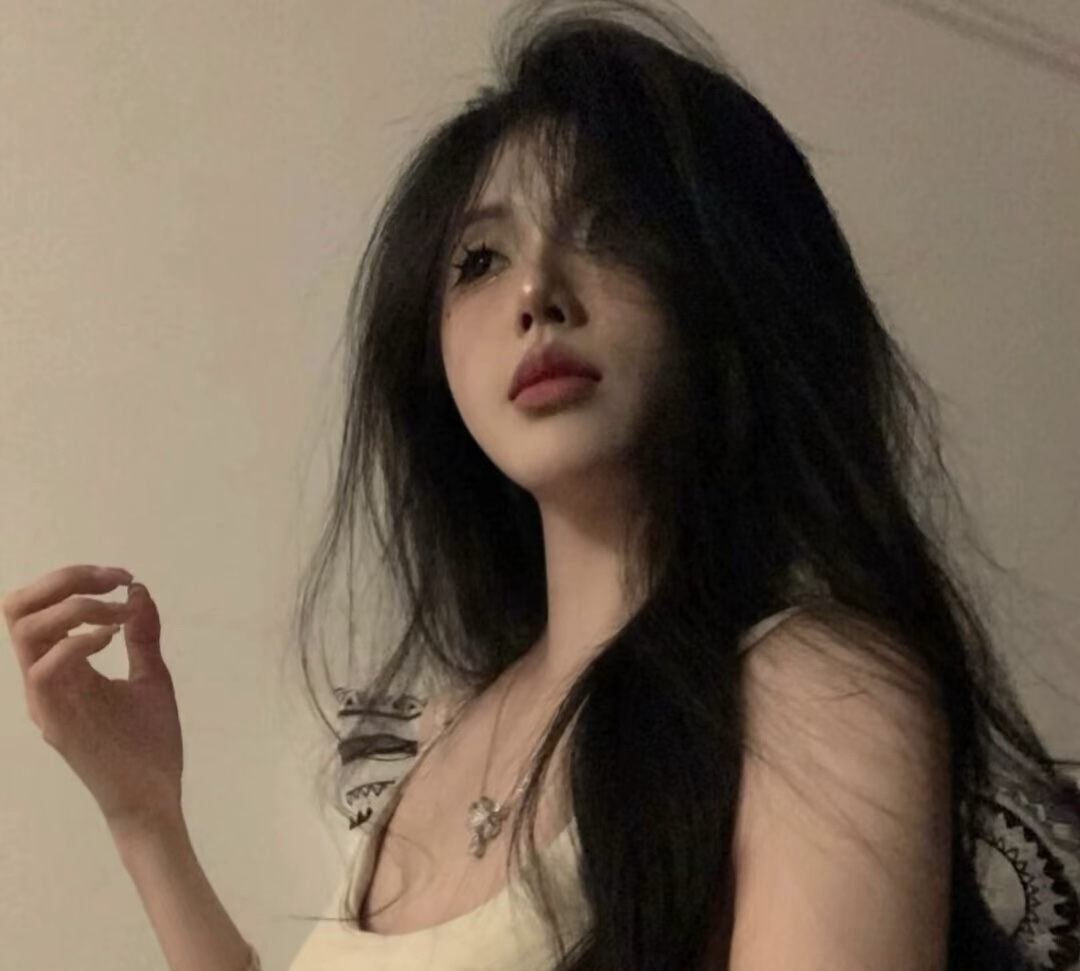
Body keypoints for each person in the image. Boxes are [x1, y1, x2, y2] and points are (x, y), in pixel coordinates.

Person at [6, 1, 1079, 970]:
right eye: (479, 259)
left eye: (612, 229)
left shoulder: (817, 692)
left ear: (729, 282)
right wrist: (144, 814)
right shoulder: (443, 735)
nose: (535, 290)